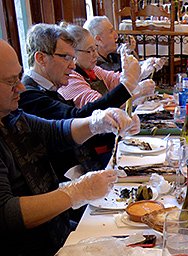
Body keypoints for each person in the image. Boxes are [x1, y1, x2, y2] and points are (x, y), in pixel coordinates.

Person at [1, 40, 139, 256]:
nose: (20, 88)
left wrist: (97, 122)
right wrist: (77, 192)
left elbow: (57, 130)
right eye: (11, 82)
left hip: (54, 233)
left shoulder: (10, 116)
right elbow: (6, 213)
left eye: (19, 78)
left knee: (133, 251)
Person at [20, 24, 143, 175]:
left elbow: (83, 130)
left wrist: (119, 127)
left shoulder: (49, 87)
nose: (72, 65)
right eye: (66, 57)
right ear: (41, 58)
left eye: (73, 58)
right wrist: (127, 86)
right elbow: (74, 119)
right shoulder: (28, 95)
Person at [57, 24, 157, 109]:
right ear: (73, 53)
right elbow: (99, 106)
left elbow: (115, 80)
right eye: (90, 51)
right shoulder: (69, 79)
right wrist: (137, 92)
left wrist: (142, 71)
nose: (96, 55)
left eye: (95, 49)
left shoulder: (93, 70)